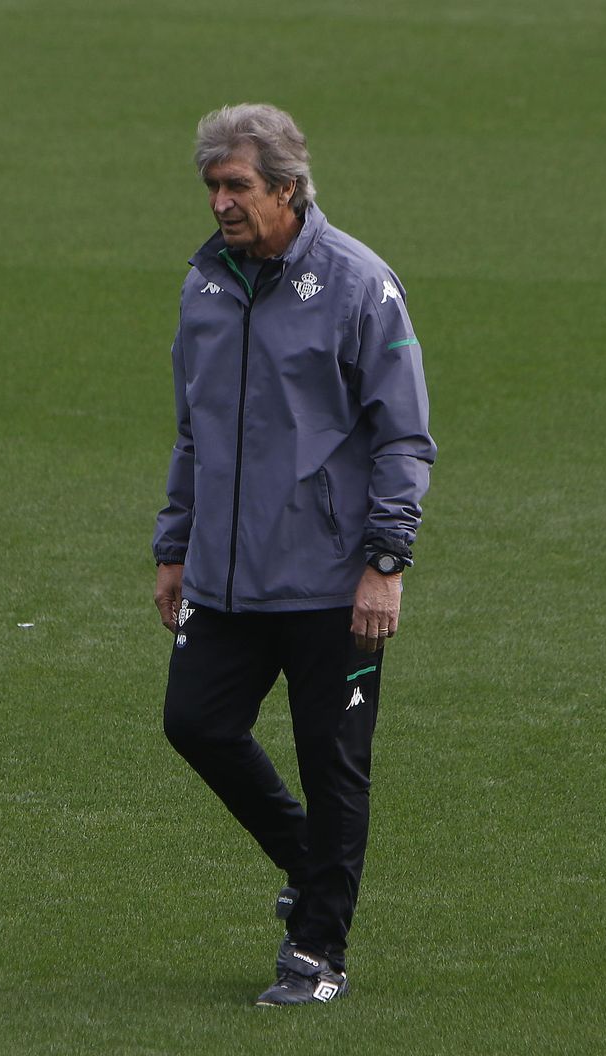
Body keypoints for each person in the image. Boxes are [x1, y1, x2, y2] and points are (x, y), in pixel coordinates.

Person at [152, 103, 435, 1007]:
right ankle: (312, 866)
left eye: (237, 186)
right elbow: (193, 430)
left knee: (331, 764)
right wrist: (174, 545)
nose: (220, 203)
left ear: (287, 188)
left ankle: (318, 952)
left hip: (330, 584)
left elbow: (404, 439)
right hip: (227, 576)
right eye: (212, 187)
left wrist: (385, 564)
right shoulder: (205, 285)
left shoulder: (359, 285)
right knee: (195, 722)